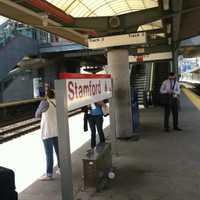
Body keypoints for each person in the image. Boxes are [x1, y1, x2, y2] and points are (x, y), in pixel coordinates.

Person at [35, 89, 60, 180]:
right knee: (58, 152)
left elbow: (36, 115)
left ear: (46, 95)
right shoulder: (58, 102)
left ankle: (49, 174)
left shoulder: (44, 103)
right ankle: (61, 169)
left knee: (49, 154)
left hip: (47, 132)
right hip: (56, 131)